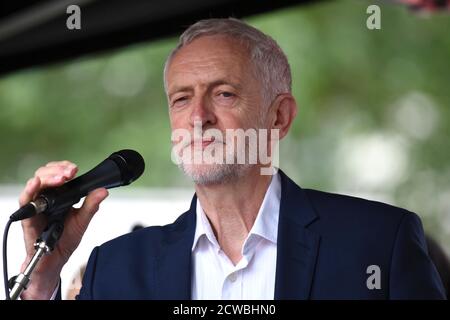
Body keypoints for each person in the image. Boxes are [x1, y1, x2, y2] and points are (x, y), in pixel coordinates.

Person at [18, 18, 445, 300]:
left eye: (223, 94)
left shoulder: (378, 243)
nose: (198, 117)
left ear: (279, 116)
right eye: (182, 99)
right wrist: (40, 284)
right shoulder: (116, 269)